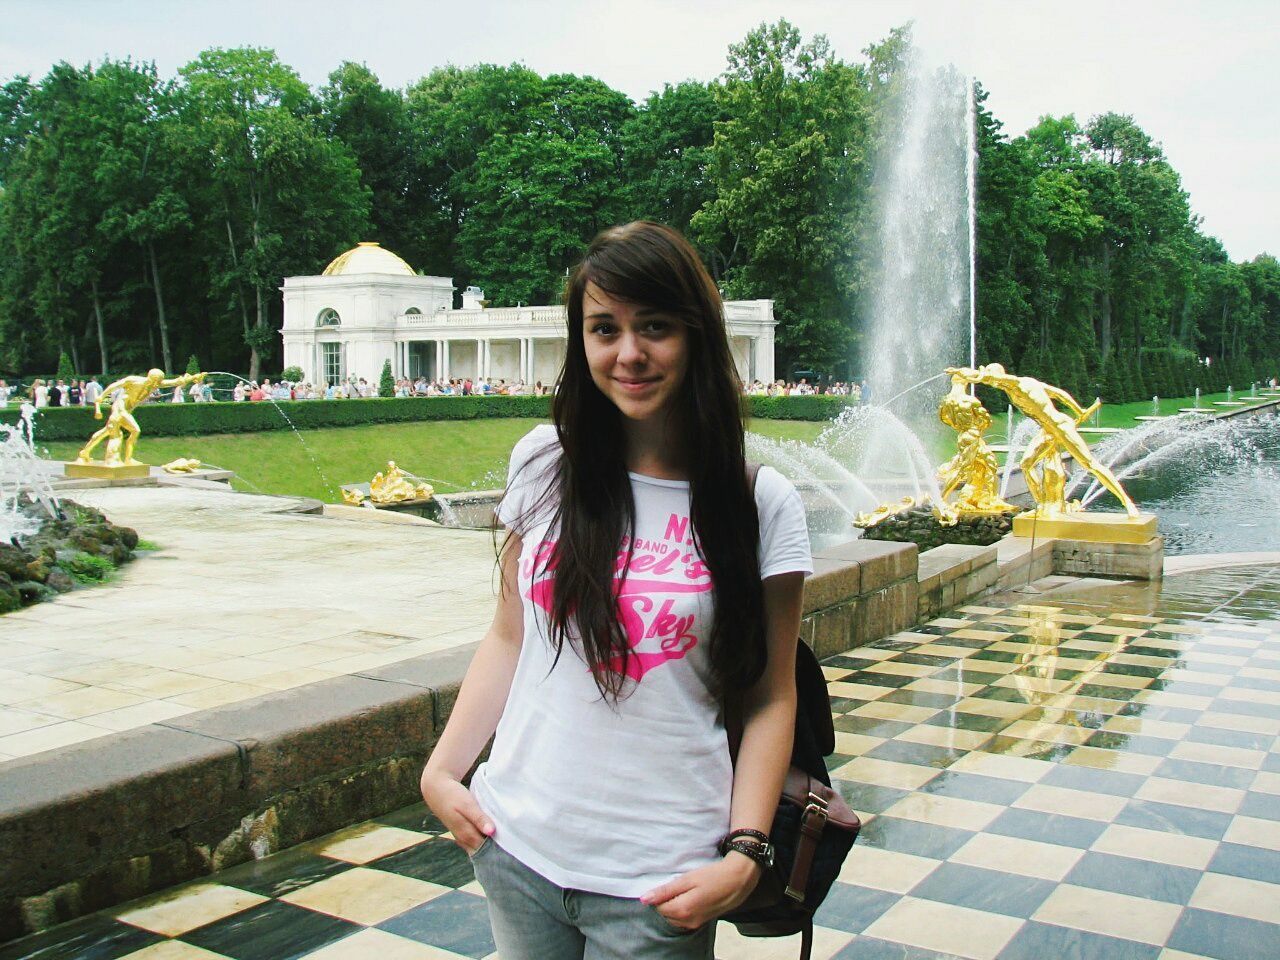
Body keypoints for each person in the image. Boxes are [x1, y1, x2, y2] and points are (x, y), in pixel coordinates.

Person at [419, 222, 811, 959]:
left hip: (660, 880)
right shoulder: (542, 463)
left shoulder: (760, 503)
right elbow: (510, 636)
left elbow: (770, 695)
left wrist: (745, 852)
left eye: (654, 327)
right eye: (605, 329)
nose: (628, 353)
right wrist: (442, 771)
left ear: (695, 335)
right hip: (514, 846)